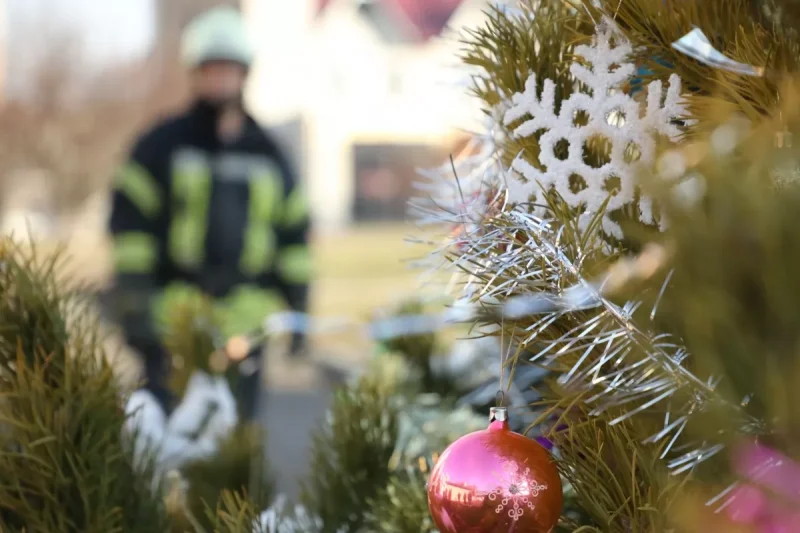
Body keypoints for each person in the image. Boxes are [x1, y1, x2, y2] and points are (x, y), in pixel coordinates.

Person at [105, 6, 311, 417]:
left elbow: (294, 240)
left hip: (247, 327)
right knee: (165, 438)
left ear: (244, 73)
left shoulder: (270, 156)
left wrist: (299, 308)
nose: (219, 78)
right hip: (173, 322)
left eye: (227, 68)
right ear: (195, 73)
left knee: (235, 446)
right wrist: (133, 301)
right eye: (210, 68)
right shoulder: (160, 147)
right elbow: (131, 228)